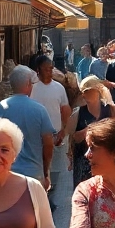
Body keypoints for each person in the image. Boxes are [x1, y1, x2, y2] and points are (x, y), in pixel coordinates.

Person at [0, 65, 55, 188]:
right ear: (28, 84)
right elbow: (48, 144)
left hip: (2, 174)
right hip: (32, 176)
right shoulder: (39, 110)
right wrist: (45, 171)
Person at [30, 55, 73, 208]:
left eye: (51, 69)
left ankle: (51, 197)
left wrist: (63, 130)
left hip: (55, 135)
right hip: (36, 136)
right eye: (46, 69)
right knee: (39, 166)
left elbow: (65, 109)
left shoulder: (58, 88)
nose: (50, 72)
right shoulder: (32, 89)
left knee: (54, 168)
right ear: (38, 70)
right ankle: (39, 197)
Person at [70, 76, 115, 186]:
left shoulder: (109, 110)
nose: (84, 95)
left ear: (97, 90)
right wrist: (90, 129)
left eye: (87, 91)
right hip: (83, 161)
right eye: (82, 92)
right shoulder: (78, 112)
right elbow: (74, 138)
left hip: (105, 160)